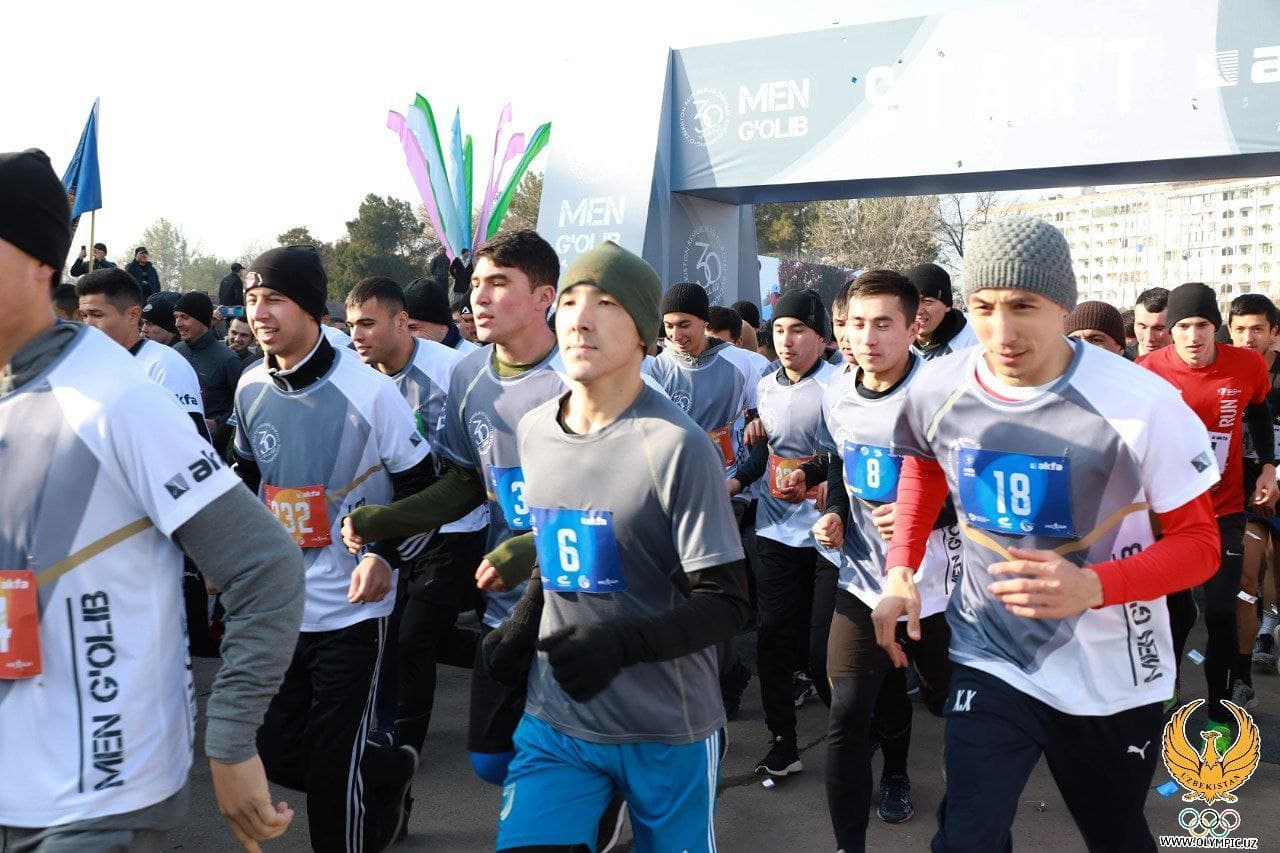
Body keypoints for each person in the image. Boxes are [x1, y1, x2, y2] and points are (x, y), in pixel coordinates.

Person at [876, 217, 1222, 851]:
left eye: (1023, 307)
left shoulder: (1142, 403)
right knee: (966, 838)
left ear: (1063, 305)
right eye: (984, 308)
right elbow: (923, 465)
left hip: (1112, 673)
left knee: (1115, 835)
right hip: (991, 653)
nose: (1001, 333)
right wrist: (901, 566)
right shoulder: (938, 386)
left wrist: (1093, 586)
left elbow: (1200, 548)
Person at [0, 147, 305, 851]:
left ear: (41, 264)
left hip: (100, 797)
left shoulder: (116, 400)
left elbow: (264, 568)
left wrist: (231, 740)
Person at [477, 240, 751, 853]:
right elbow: (559, 545)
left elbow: (728, 603)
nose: (581, 319)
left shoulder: (676, 446)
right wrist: (522, 625)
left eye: (606, 304)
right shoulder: (534, 430)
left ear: (646, 335)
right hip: (559, 719)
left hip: (668, 729)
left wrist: (620, 645)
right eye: (571, 301)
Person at [340, 229, 566, 803]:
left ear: (544, 297)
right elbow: (465, 480)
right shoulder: (469, 376)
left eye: (498, 284)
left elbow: (625, 498)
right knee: (492, 757)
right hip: (506, 600)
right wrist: (389, 520)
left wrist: (533, 546)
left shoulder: (584, 372)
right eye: (476, 284)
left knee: (568, 761)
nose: (478, 298)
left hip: (584, 602)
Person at [233, 245, 435, 852]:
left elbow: (422, 486)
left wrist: (384, 556)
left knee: (332, 767)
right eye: (252, 299)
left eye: (274, 299)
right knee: (275, 749)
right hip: (280, 604)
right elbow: (246, 478)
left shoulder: (368, 391)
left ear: (311, 307)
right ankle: (386, 771)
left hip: (353, 607)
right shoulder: (249, 386)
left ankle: (358, 796)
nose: (259, 313)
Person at [804, 271, 959, 848]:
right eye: (856, 324)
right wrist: (836, 513)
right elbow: (844, 465)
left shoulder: (945, 392)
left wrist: (928, 517)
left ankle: (964, 823)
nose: (867, 338)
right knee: (846, 717)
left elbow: (981, 486)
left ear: (914, 326)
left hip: (941, 588)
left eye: (884, 324)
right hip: (864, 580)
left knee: (952, 708)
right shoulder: (836, 392)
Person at [344, 276, 480, 758]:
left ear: (403, 322)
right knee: (405, 635)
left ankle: (402, 752)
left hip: (456, 525)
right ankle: (503, 656)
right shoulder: (355, 377)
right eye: (351, 325)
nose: (356, 335)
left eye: (367, 324)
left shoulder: (453, 370)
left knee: (414, 638)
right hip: (394, 526)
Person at [1141, 282, 1278, 736]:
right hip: (1171, 512)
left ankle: (1219, 710)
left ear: (1215, 327)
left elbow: (1258, 412)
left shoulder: (1246, 364)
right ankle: (1169, 685)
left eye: (1202, 325)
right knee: (1170, 610)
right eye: (1183, 326)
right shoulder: (1148, 370)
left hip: (1224, 508)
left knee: (1220, 612)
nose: (1193, 336)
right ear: (1171, 330)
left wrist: (1267, 466)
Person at [725, 289, 839, 777]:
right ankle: (783, 743)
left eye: (798, 330)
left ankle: (862, 736)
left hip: (829, 535)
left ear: (821, 337)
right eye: (778, 331)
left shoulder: (840, 385)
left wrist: (819, 477)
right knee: (771, 639)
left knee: (820, 653)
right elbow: (765, 451)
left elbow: (847, 454)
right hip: (775, 529)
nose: (786, 341)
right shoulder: (766, 385)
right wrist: (735, 481)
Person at [77, 268, 209, 441]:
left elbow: (192, 443)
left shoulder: (165, 366)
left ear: (133, 315)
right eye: (84, 316)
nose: (88, 325)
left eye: (97, 315)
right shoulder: (89, 366)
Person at [1226, 293, 1280, 689]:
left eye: (1257, 329)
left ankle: (1271, 622)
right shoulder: (1225, 372)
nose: (1249, 338)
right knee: (1246, 580)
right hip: (1243, 491)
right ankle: (1243, 674)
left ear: (1273, 332)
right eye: (1241, 329)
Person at [174, 290, 244, 434]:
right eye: (176, 317)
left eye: (184, 317)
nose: (177, 324)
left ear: (201, 320)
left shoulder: (228, 360)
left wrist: (218, 424)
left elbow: (243, 404)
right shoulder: (175, 351)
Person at [904, 263, 976, 360]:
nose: (918, 311)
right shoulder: (898, 343)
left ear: (947, 305)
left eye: (927, 301)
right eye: (911, 302)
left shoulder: (972, 343)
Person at [403, 276, 476, 353]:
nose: (404, 335)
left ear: (443, 326)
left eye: (412, 327)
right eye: (401, 327)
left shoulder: (474, 357)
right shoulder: (408, 356)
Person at [1133, 286, 1172, 357]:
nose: (1149, 338)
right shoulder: (1118, 358)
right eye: (1143, 327)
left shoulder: (1189, 360)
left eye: (1158, 329)